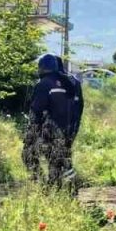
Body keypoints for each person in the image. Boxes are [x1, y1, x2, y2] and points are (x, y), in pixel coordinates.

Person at [23, 54, 83, 186]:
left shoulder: (44, 84)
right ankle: (64, 188)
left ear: (42, 68)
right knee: (58, 160)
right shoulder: (68, 84)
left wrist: (30, 134)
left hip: (49, 131)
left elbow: (36, 111)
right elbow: (77, 109)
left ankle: (41, 184)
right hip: (66, 130)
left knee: (28, 155)